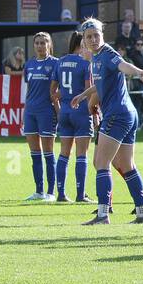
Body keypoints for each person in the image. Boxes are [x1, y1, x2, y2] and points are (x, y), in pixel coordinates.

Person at [72, 18, 143, 225]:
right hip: (127, 114)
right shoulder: (97, 58)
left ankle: (102, 214)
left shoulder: (108, 54)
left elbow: (123, 65)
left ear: (102, 35)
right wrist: (83, 95)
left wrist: (138, 72)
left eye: (96, 35)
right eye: (88, 37)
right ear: (84, 39)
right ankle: (142, 213)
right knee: (126, 164)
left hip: (117, 115)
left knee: (101, 163)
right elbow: (101, 83)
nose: (92, 39)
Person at [52, 31, 94, 204]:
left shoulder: (60, 62)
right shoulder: (85, 63)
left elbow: (53, 91)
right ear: (82, 44)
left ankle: (61, 193)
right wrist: (93, 111)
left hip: (65, 112)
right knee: (81, 154)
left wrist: (59, 109)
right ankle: (80, 194)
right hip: (81, 111)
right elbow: (89, 90)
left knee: (64, 153)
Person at [21, 32, 61, 201]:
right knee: (34, 153)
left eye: (43, 43)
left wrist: (59, 111)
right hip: (30, 111)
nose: (39, 46)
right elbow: (29, 88)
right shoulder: (29, 64)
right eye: (37, 43)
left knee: (48, 152)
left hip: (46, 111)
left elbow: (58, 90)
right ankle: (39, 191)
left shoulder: (55, 64)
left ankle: (51, 192)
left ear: (49, 44)